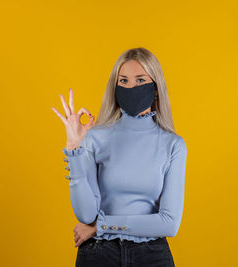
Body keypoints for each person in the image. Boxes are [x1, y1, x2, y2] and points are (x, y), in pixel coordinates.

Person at [51, 47, 188, 267]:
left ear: (155, 88)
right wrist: (75, 149)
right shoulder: (95, 137)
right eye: (123, 81)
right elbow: (86, 215)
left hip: (151, 256)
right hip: (98, 254)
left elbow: (169, 223)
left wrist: (101, 226)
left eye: (140, 80)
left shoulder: (173, 145)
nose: (130, 87)